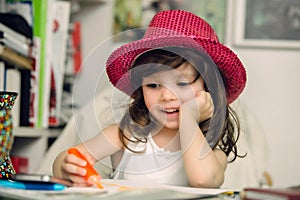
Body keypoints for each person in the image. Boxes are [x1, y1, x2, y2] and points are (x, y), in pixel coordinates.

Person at [53, 10, 247, 188]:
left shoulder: (214, 151)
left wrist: (189, 118)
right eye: (153, 85)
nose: (167, 96)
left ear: (209, 89)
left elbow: (202, 180)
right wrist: (67, 167)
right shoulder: (126, 135)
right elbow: (68, 157)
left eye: (182, 84)